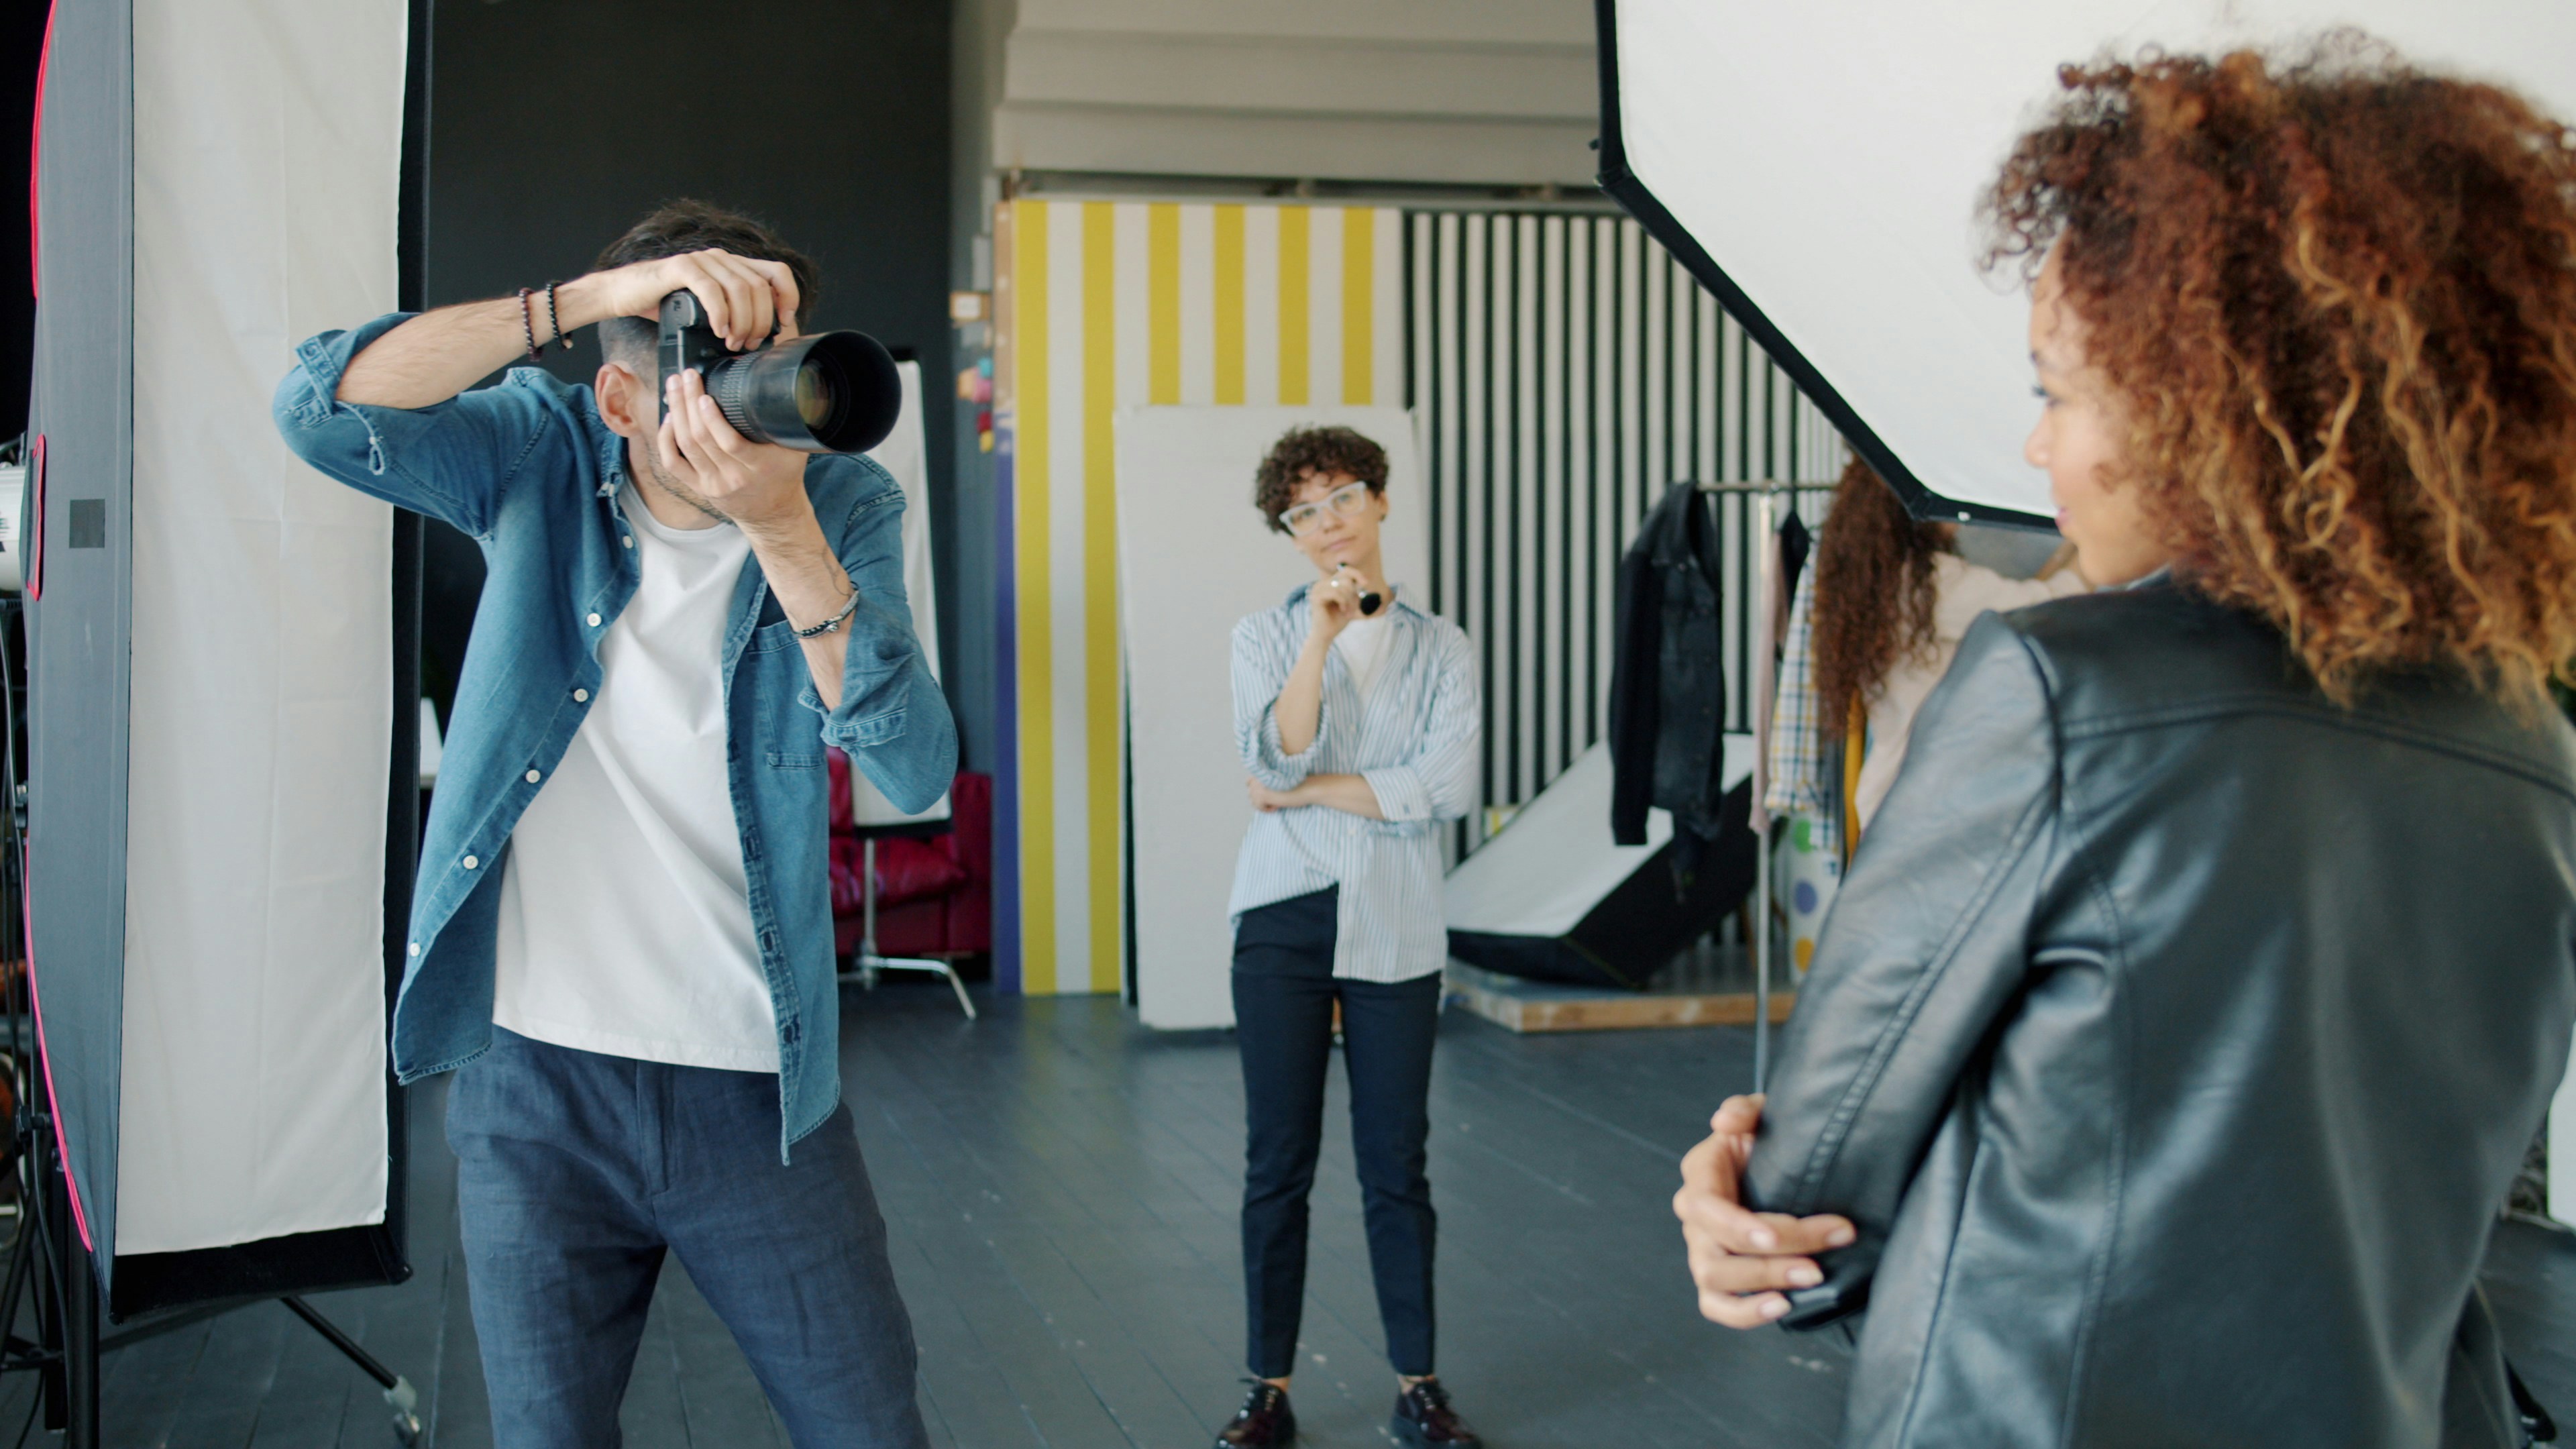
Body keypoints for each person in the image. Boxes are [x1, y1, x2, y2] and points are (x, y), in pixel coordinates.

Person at [1675, 41, 2576, 1448]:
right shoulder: (2529, 744)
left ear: (2208, 400)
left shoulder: (2054, 689)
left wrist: (1745, 1199)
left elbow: (1813, 1209)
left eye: (2058, 392)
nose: (2035, 455)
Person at [273, 200, 955, 1447]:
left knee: (870, 1429)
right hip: (535, 1088)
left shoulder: (837, 500)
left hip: (758, 1089)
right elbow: (316, 409)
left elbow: (914, 766)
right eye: (722, 362)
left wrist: (782, 527)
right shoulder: (539, 453)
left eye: (779, 348)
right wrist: (589, 300)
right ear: (623, 401)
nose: (764, 389)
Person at [1213, 426, 1483, 1448]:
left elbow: (1444, 791)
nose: (1328, 523)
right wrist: (1320, 638)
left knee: (1395, 1165)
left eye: (1342, 500)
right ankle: (1266, 1390)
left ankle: (1419, 1384)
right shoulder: (1262, 638)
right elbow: (1269, 755)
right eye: (1305, 512)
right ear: (1290, 534)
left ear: (1378, 502)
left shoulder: (1442, 645)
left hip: (1398, 920)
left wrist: (1309, 790)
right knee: (1276, 1162)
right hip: (1282, 914)